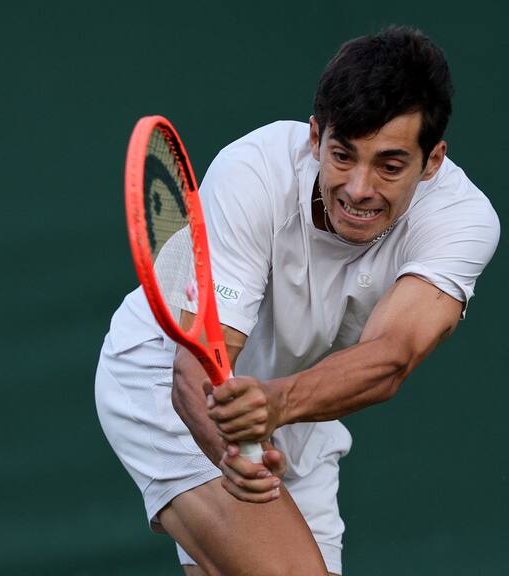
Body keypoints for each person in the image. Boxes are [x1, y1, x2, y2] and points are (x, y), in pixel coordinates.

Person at [95, 26, 499, 576]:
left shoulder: (462, 221)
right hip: (163, 384)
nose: (359, 188)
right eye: (342, 155)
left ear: (432, 162)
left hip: (292, 415)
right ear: (315, 138)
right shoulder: (253, 173)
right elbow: (194, 369)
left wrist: (275, 406)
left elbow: (391, 357)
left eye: (389, 164)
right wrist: (228, 453)